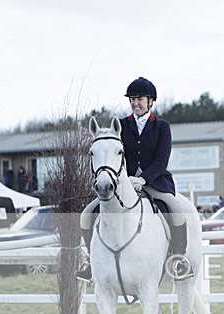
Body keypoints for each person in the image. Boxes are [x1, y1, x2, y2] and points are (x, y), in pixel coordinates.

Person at [76, 77, 193, 282]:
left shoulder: (162, 127)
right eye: (132, 99)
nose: (135, 103)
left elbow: (161, 159)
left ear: (151, 101)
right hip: (122, 185)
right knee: (87, 214)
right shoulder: (119, 126)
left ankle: (178, 259)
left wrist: (144, 179)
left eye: (140, 99)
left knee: (175, 209)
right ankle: (91, 262)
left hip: (155, 182)